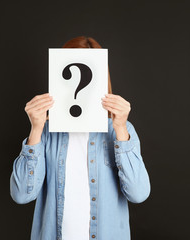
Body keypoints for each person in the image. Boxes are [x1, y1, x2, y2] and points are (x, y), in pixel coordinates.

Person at [10, 36, 151, 240]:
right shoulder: (47, 131)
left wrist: (120, 128)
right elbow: (21, 195)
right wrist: (36, 129)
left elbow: (138, 193)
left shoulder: (120, 129)